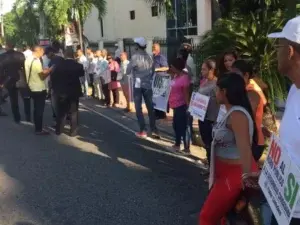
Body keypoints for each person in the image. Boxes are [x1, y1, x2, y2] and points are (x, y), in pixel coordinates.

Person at [199, 73, 258, 225]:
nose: (215, 93)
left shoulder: (237, 115)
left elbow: (244, 147)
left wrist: (248, 180)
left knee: (207, 217)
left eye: (217, 90)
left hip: (233, 175)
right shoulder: (229, 111)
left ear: (224, 92)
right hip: (224, 172)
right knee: (221, 216)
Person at [267, 16, 300, 225]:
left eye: (279, 46)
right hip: (284, 206)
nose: (275, 53)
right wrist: (268, 172)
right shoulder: (294, 91)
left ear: (290, 51)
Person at [232, 60, 267, 162]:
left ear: (246, 75)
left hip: (254, 142)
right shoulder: (242, 90)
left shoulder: (252, 92)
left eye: (236, 74)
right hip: (244, 140)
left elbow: (245, 115)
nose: (233, 78)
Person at [126, 37, 159, 138]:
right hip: (148, 84)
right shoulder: (150, 56)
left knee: (138, 108)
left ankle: (143, 129)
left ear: (137, 46)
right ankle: (153, 129)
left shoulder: (135, 57)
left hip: (138, 85)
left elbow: (127, 71)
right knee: (150, 108)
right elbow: (153, 70)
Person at [53, 48, 84, 136]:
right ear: (73, 56)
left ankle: (59, 129)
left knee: (61, 111)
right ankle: (73, 131)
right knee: (73, 111)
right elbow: (82, 75)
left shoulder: (59, 65)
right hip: (74, 91)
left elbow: (54, 77)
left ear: (65, 55)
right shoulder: (78, 65)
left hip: (62, 91)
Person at [24, 46, 52, 135]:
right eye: (42, 52)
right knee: (39, 109)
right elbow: (41, 76)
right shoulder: (36, 61)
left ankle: (38, 126)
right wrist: (49, 71)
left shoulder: (28, 59)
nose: (43, 54)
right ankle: (39, 129)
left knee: (36, 109)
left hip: (31, 86)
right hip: (39, 88)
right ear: (38, 51)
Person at [198, 59, 219, 166]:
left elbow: (221, 102)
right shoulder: (205, 82)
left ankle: (213, 171)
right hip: (202, 117)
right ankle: (210, 168)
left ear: (211, 70)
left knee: (211, 145)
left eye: (204, 69)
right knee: (206, 143)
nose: (201, 71)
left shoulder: (216, 84)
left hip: (211, 119)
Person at [1, 42, 28, 123]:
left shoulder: (2, 56)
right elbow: (25, 66)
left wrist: (2, 81)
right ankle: (28, 116)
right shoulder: (20, 55)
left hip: (9, 80)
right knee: (25, 98)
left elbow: (1, 70)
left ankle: (17, 117)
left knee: (14, 100)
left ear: (7, 47)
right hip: (21, 78)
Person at [168, 58, 190, 153]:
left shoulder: (184, 79)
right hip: (175, 105)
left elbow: (186, 94)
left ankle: (186, 147)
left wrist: (188, 107)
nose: (171, 67)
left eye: (172, 66)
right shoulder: (175, 76)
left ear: (177, 67)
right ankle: (177, 143)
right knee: (176, 125)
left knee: (182, 126)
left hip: (181, 105)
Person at [152, 43, 169, 120]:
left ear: (158, 49)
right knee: (155, 97)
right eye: (152, 48)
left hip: (161, 80)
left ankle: (161, 114)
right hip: (155, 79)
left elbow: (166, 68)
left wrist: (156, 69)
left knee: (160, 97)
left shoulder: (161, 57)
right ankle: (156, 113)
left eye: (154, 48)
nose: (153, 49)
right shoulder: (153, 57)